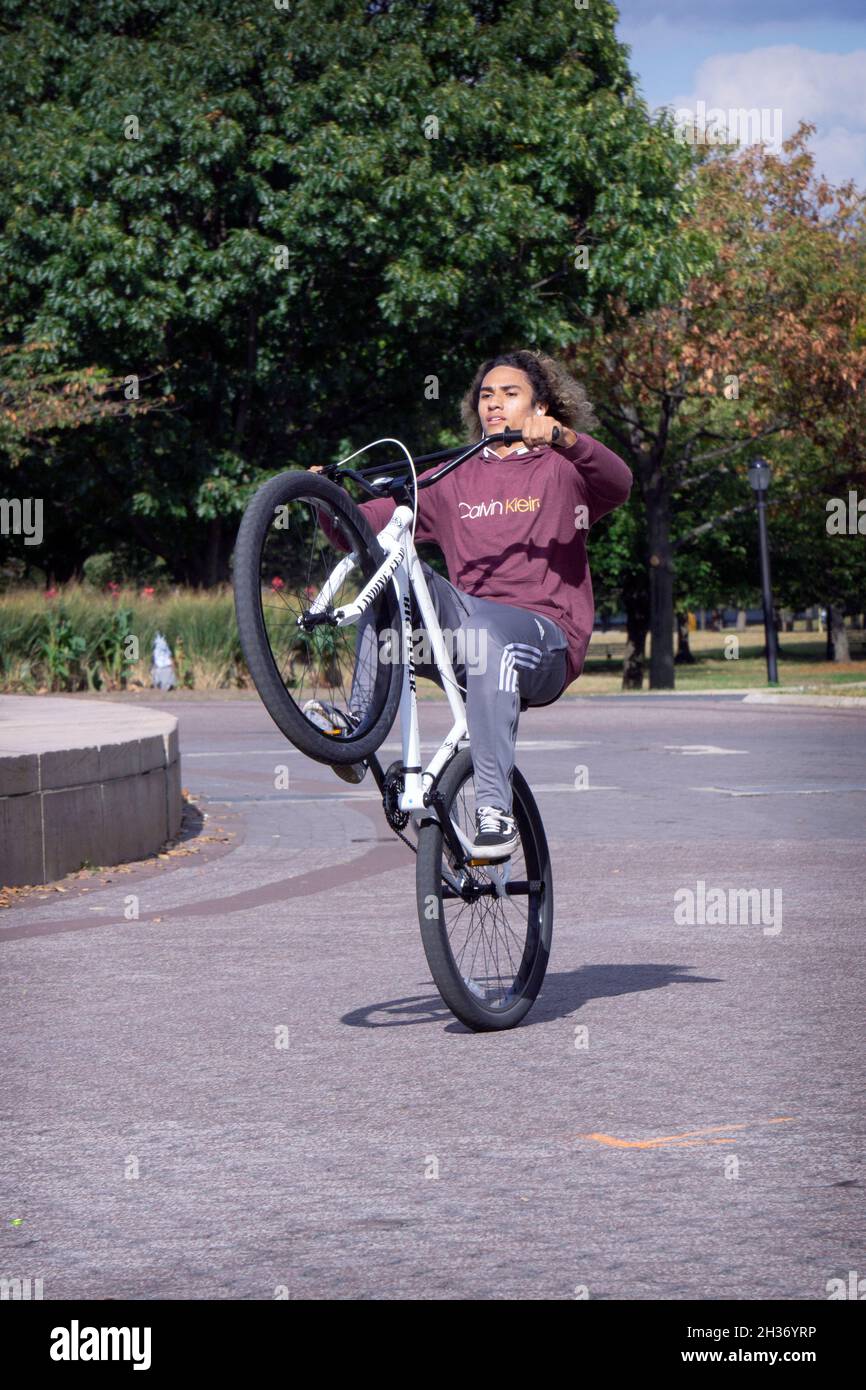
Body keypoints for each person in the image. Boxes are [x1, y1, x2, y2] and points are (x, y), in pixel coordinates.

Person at [306, 349, 632, 858]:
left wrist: (566, 440)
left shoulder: (565, 470)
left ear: (541, 407)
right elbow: (362, 529)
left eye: (510, 394)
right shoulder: (450, 477)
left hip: (543, 639)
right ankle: (357, 733)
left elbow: (619, 482)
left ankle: (494, 810)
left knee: (486, 634)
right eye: (485, 396)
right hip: (461, 637)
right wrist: (323, 499)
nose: (494, 405)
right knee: (390, 572)